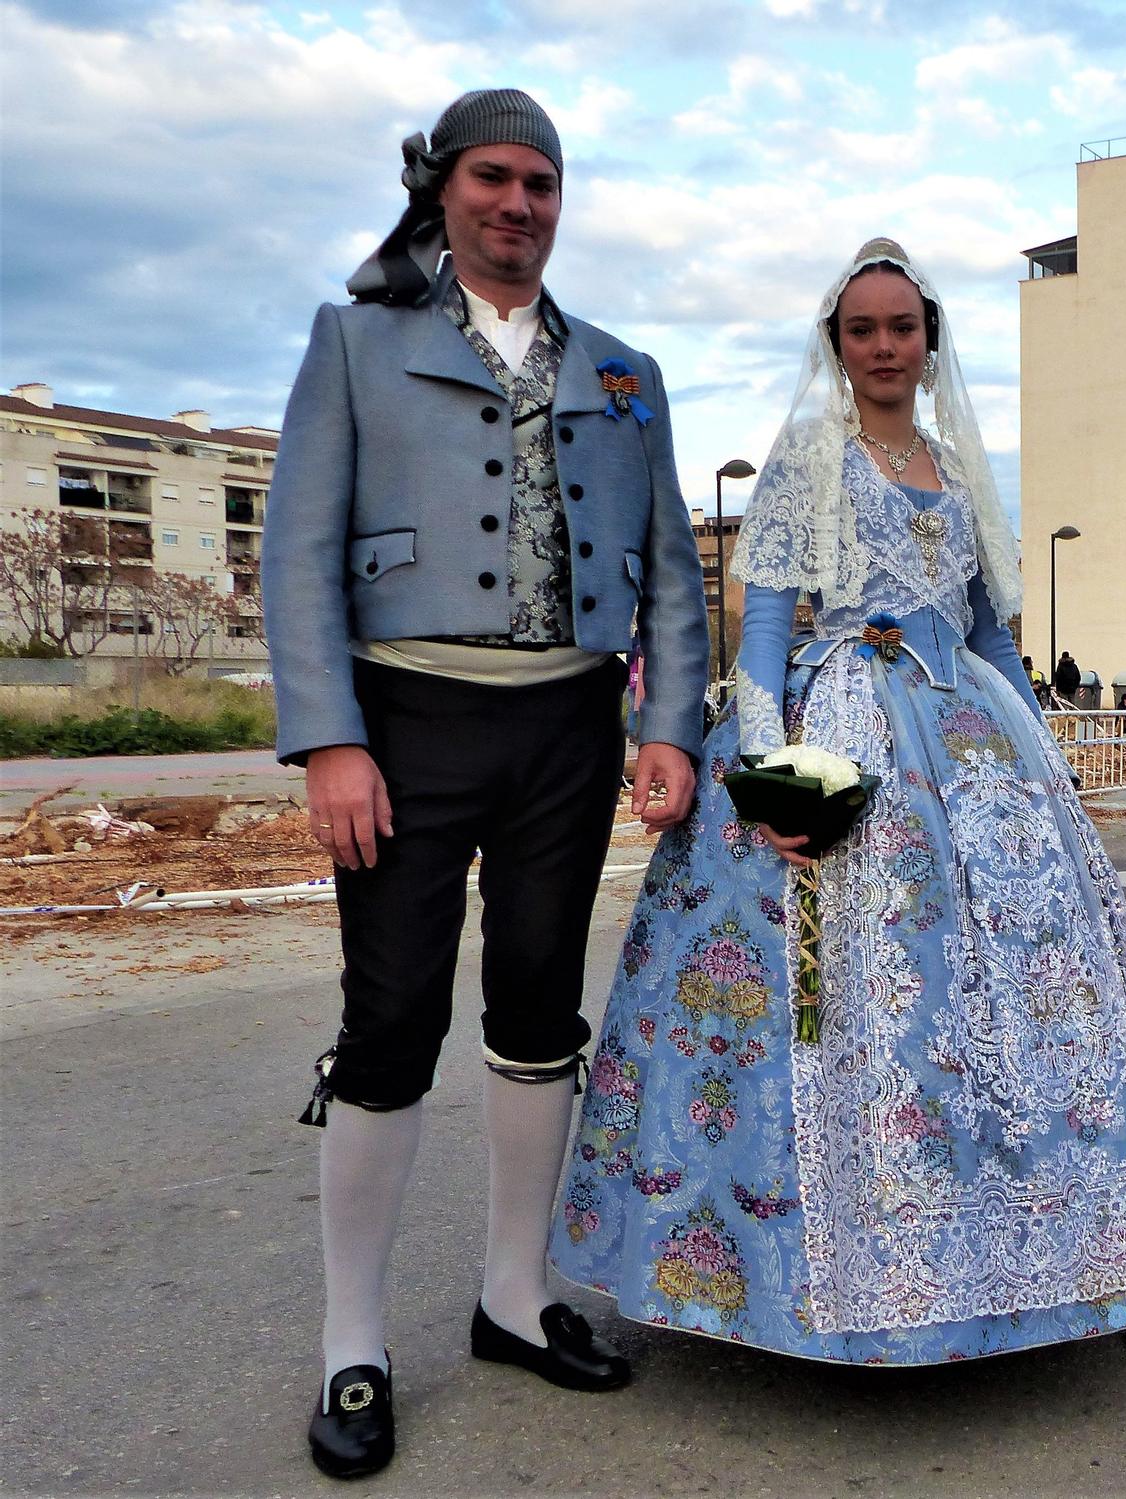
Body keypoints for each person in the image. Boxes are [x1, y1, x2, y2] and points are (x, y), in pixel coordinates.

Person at [549, 239, 1126, 1361]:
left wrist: (1041, 757)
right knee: (849, 995)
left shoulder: (959, 470)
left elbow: (991, 632)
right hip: (844, 720)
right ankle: (809, 1278)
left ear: (928, 339)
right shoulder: (810, 454)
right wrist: (770, 764)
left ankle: (1072, 1256)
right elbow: (763, 625)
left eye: (899, 328)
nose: (882, 347)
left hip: (969, 731)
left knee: (1024, 993)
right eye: (861, 330)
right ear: (837, 343)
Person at [264, 90, 709, 1479]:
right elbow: (296, 548)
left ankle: (515, 1294)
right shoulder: (354, 340)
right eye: (493, 178)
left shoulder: (624, 369)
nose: (518, 204)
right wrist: (330, 735)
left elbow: (677, 577)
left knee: (537, 1005)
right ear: (444, 189)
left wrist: (673, 722)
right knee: (390, 1015)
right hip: (403, 723)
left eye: (541, 183)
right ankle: (353, 1338)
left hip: (570, 724)